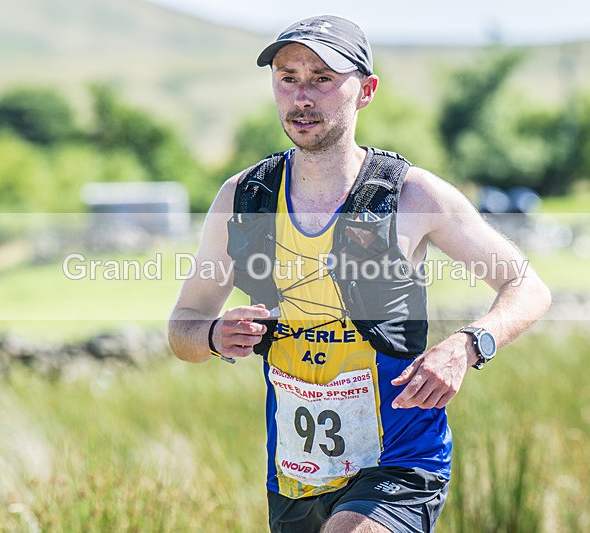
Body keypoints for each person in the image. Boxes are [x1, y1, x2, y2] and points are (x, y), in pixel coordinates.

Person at [169, 15, 551, 533]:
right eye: (288, 77)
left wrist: (467, 345)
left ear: (365, 90)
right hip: (296, 473)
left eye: (323, 79)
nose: (302, 96)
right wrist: (215, 334)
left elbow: (527, 286)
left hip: (400, 461)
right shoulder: (243, 198)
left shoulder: (413, 195)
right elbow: (182, 329)